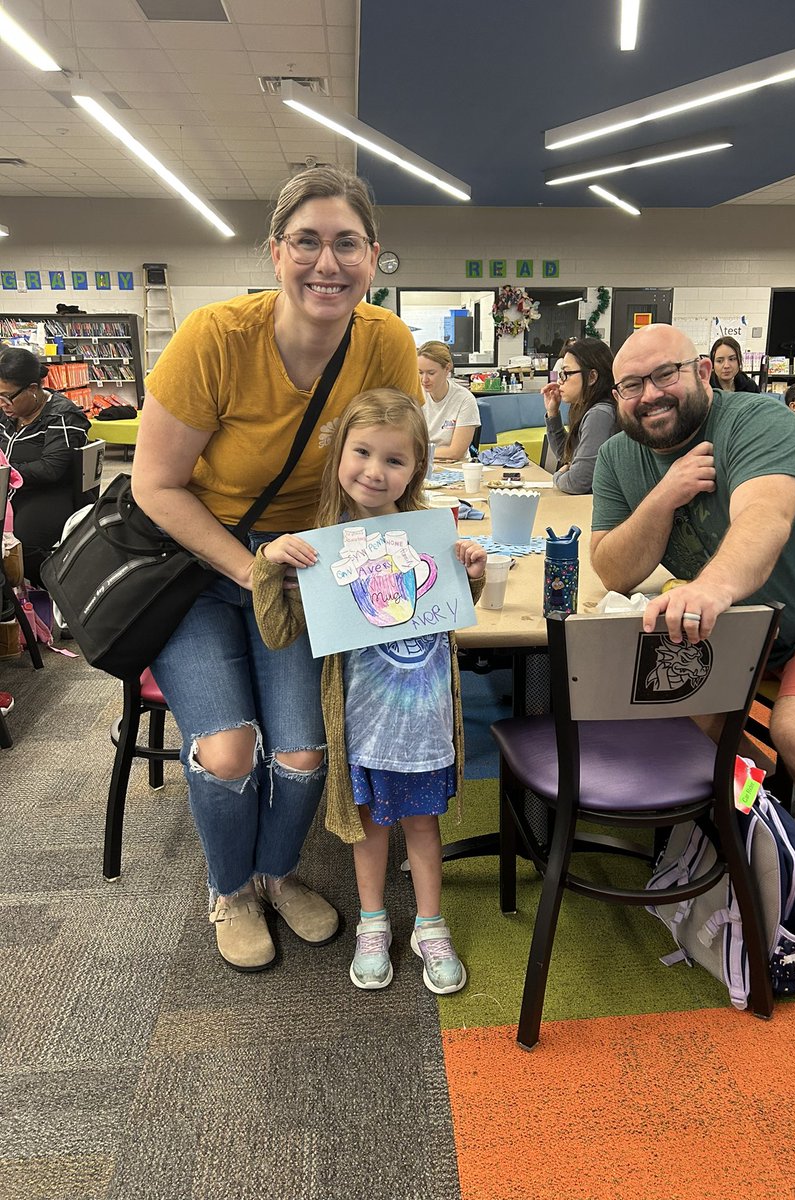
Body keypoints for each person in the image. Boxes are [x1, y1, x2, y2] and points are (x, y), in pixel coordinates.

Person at [130, 166, 421, 972]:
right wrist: (252, 564)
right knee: (229, 752)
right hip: (195, 566)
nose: (326, 263)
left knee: (302, 753)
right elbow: (155, 486)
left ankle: (276, 872)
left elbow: (390, 467)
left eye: (347, 244)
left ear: (373, 258)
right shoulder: (215, 338)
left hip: (304, 572)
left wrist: (433, 543)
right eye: (307, 242)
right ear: (275, 252)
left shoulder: (386, 342)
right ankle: (229, 889)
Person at [591, 323, 795, 947]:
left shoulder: (757, 421)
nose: (649, 395)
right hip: (748, 625)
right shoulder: (619, 457)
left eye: (665, 375)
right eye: (631, 385)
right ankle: (774, 794)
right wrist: (665, 497)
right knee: (676, 711)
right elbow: (613, 568)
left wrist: (712, 587)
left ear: (703, 371)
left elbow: (765, 516)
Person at [251, 389, 486, 993]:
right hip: (363, 726)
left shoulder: (433, 533)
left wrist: (470, 572)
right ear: (339, 457)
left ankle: (430, 926)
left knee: (424, 828)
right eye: (362, 452)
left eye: (395, 460)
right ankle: (373, 922)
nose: (375, 472)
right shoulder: (322, 544)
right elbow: (280, 632)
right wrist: (269, 564)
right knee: (368, 831)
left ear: (417, 469)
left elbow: (447, 616)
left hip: (427, 724)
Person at [0, 346, 90, 583]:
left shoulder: (63, 415)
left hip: (48, 492)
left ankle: (41, 589)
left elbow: (51, 468)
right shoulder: (6, 412)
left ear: (32, 389)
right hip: (8, 489)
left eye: (6, 397)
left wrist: (6, 472)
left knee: (23, 545)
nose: (2, 404)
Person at [541, 337, 617, 493]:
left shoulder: (600, 414)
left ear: (592, 377)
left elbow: (577, 482)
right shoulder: (585, 408)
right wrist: (553, 412)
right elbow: (566, 454)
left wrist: (558, 476)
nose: (560, 381)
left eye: (566, 373)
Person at [416, 341, 479, 462]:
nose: (424, 379)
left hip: (455, 468)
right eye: (420, 372)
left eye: (431, 373)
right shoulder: (415, 395)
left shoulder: (465, 399)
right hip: (422, 465)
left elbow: (455, 452)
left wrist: (418, 453)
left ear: (447, 368)